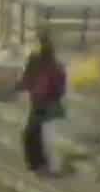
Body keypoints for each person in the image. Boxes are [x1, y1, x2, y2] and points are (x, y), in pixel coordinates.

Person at [18, 38, 69, 176]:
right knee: (43, 135)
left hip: (43, 104)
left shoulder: (38, 63)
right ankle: (45, 166)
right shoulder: (55, 66)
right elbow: (60, 88)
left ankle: (42, 166)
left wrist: (23, 86)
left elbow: (27, 81)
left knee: (39, 135)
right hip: (47, 104)